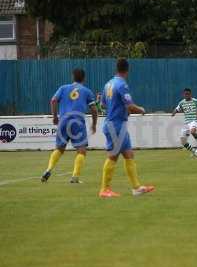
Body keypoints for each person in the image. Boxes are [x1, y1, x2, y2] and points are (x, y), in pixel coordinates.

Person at [99, 58, 154, 198]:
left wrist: (120, 107)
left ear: (116, 69)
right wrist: (141, 109)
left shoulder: (108, 84)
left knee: (129, 154)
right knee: (113, 156)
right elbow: (130, 105)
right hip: (115, 125)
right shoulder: (122, 84)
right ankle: (104, 189)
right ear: (127, 70)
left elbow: (104, 105)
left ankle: (136, 188)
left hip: (116, 124)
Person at [41, 68, 97, 184]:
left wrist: (55, 117)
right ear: (84, 78)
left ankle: (48, 169)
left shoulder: (63, 88)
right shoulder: (86, 91)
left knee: (59, 149)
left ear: (73, 77)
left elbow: (53, 101)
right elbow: (94, 109)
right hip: (77, 121)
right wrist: (94, 124)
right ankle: (75, 177)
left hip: (63, 120)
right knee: (81, 151)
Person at [171, 88, 197, 154]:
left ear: (191, 94)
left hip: (193, 120)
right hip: (186, 123)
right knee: (183, 141)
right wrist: (174, 113)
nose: (187, 95)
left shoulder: (196, 101)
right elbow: (177, 109)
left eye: (188, 94)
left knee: (193, 131)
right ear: (183, 95)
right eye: (185, 94)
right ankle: (194, 152)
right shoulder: (182, 102)